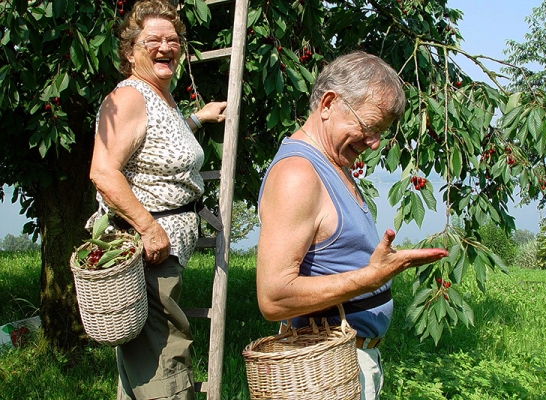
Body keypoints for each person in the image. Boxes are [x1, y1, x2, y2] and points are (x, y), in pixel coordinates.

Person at [256, 51, 448, 399]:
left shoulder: (336, 165)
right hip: (322, 369)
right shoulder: (298, 175)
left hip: (347, 363)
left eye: (381, 132)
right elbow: (273, 298)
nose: (374, 143)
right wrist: (372, 278)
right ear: (328, 103)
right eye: (370, 127)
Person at [88, 0, 226, 398]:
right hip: (146, 253)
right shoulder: (129, 97)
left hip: (162, 252)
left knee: (144, 360)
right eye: (153, 40)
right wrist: (149, 229)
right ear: (131, 52)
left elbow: (156, 143)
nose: (166, 46)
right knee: (166, 357)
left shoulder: (158, 98)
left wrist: (198, 119)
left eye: (173, 39)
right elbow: (103, 172)